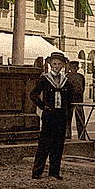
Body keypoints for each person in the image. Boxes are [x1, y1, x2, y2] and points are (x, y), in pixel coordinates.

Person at [29, 51, 74, 180]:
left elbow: (70, 100)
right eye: (54, 63)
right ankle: (37, 172)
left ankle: (54, 172)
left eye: (59, 64)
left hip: (61, 116)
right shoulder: (44, 79)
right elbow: (33, 94)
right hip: (49, 115)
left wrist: (67, 112)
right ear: (50, 64)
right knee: (44, 144)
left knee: (58, 144)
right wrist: (43, 106)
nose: (56, 66)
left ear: (63, 65)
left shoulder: (67, 81)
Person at [65, 60, 87, 140]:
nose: (74, 69)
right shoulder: (80, 76)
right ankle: (81, 136)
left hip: (71, 100)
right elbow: (82, 88)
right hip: (77, 100)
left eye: (75, 67)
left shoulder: (67, 76)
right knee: (79, 119)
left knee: (69, 119)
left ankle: (68, 136)